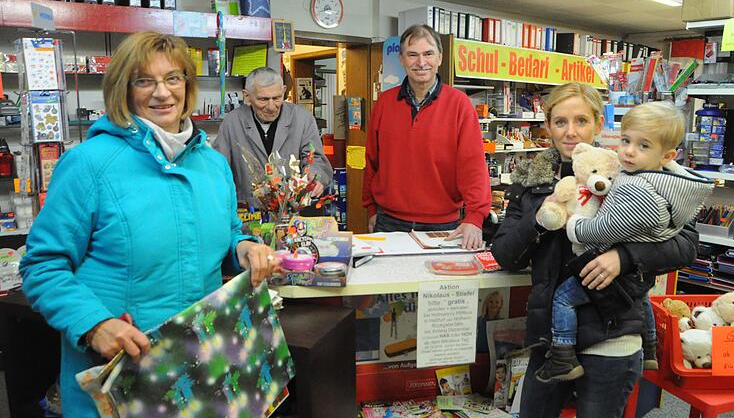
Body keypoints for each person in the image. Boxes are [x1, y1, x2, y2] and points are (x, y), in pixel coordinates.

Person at [19, 32, 281, 418]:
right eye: (145, 81)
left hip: (200, 373)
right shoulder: (89, 164)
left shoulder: (212, 166)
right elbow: (42, 265)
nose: (163, 93)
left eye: (173, 78)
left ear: (187, 86)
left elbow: (224, 233)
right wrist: (93, 325)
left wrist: (243, 247)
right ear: (124, 89)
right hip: (126, 378)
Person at [490, 83, 699, 418]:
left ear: (598, 124)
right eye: (560, 122)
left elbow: (686, 244)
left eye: (581, 121)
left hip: (614, 333)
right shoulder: (531, 181)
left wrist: (625, 257)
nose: (570, 132)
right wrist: (540, 217)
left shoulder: (630, 169)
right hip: (553, 340)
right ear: (548, 126)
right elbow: (504, 254)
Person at [536, 101, 714, 383]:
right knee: (641, 295)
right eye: (626, 141)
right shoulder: (660, 182)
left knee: (564, 298)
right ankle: (651, 346)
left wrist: (575, 226)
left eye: (643, 146)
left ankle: (562, 356)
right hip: (635, 280)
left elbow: (607, 229)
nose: (629, 151)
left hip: (612, 295)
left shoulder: (637, 187)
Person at [363, 24, 490, 250]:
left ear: (440, 57)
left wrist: (475, 217)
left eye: (428, 54)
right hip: (389, 221)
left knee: (437, 286)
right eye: (412, 55)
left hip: (443, 225)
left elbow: (473, 167)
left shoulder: (460, 104)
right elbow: (372, 161)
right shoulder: (384, 103)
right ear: (401, 59)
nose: (421, 62)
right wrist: (371, 208)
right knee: (391, 286)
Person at [213, 66, 333, 208]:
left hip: (291, 212)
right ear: (247, 96)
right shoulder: (232, 122)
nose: (271, 106)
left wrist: (315, 177)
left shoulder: (302, 119)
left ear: (283, 91)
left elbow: (317, 159)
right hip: (248, 213)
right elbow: (218, 168)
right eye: (263, 99)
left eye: (276, 98)